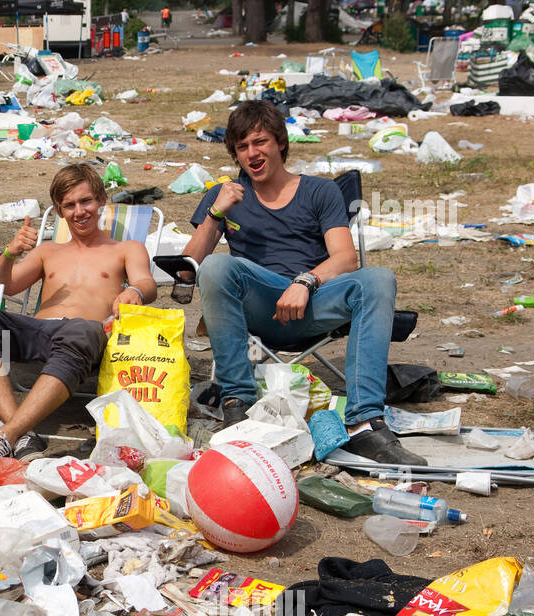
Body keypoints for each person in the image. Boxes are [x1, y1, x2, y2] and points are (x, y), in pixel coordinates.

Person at [181, 99, 426, 466]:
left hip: (313, 303)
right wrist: (217, 212)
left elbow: (345, 257)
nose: (252, 153)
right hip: (258, 309)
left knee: (378, 279)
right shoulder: (226, 194)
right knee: (217, 267)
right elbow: (187, 270)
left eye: (260, 142)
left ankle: (364, 424)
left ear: (280, 142)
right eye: (242, 147)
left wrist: (306, 281)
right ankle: (238, 404)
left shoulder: (319, 191)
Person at [0, 164, 155, 460]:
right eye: (69, 205)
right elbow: (2, 286)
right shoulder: (47, 251)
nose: (79, 211)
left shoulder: (126, 248)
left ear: (101, 200)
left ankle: (6, 434)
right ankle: (21, 432)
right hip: (37, 333)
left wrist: (134, 291)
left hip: (86, 336)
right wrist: (10, 253)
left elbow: (146, 283)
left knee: (84, 328)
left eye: (86, 201)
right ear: (60, 212)